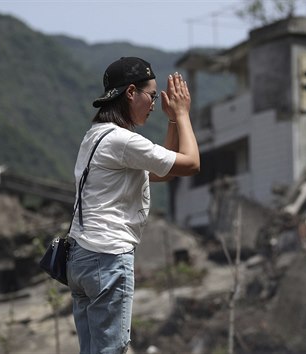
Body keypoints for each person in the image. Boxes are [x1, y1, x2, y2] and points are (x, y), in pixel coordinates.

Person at [66, 56, 200, 354]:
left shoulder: (96, 136)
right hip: (107, 257)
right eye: (151, 96)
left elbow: (161, 170)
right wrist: (184, 113)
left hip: (81, 258)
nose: (153, 103)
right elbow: (190, 164)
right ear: (130, 93)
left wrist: (173, 121)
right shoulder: (123, 141)